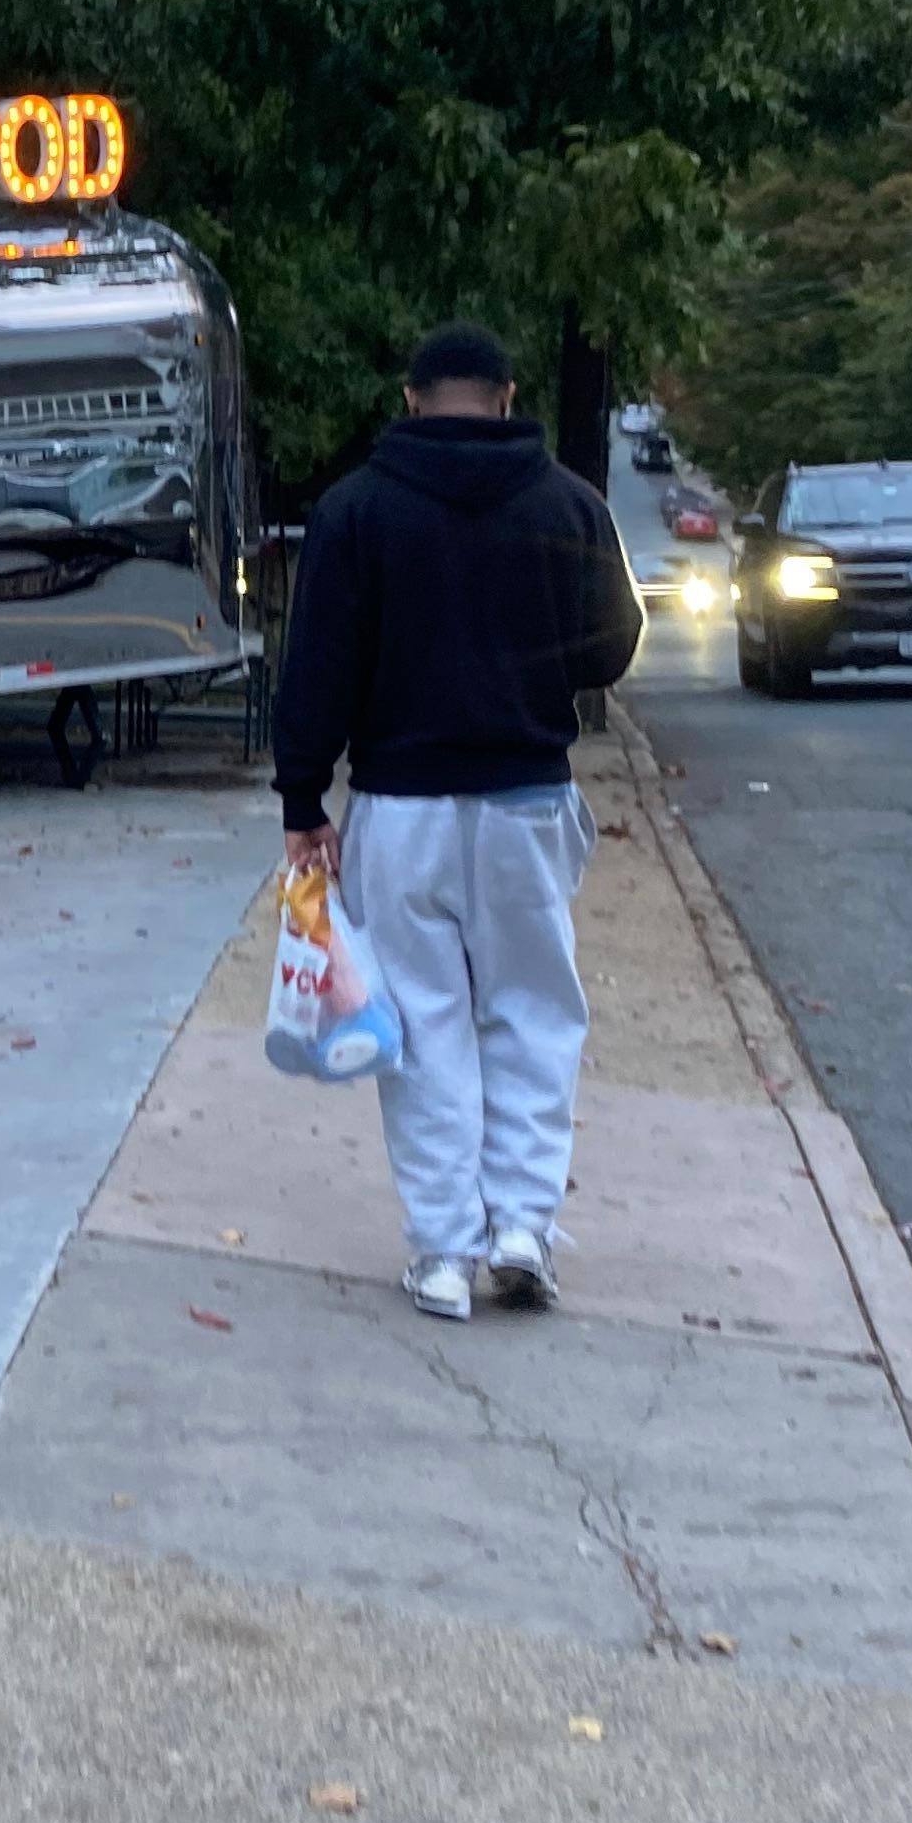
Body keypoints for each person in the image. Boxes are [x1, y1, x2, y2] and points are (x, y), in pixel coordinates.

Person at [270, 321, 644, 1319]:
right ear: (511, 397)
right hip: (527, 798)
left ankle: (442, 1252)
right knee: (532, 1012)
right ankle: (523, 1229)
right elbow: (613, 649)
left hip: (401, 809)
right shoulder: (569, 504)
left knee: (425, 1025)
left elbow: (316, 672)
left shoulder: (356, 512)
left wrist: (304, 800)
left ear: (410, 400)